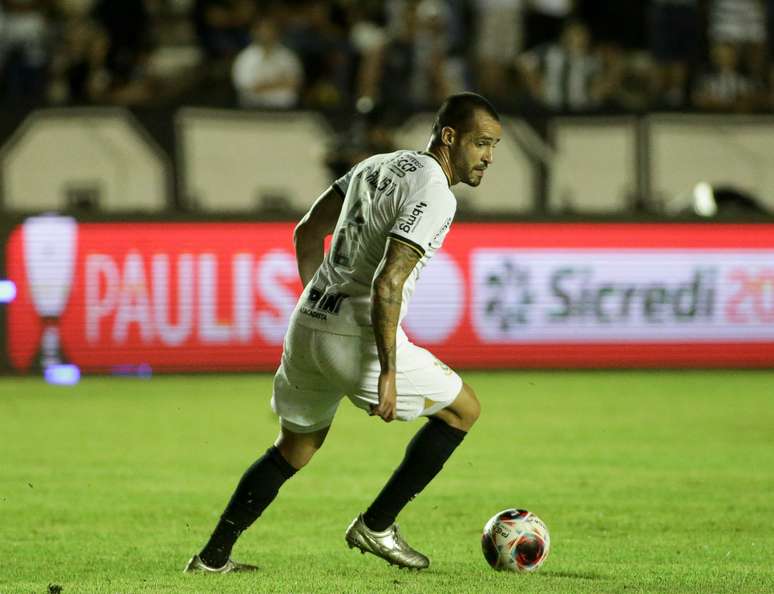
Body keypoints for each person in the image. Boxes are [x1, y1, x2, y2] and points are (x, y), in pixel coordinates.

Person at [184, 92, 502, 573]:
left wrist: (318, 297)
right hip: (355, 337)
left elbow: (307, 231)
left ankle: (211, 559)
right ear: (450, 136)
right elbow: (388, 280)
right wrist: (389, 371)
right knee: (463, 411)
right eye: (481, 143)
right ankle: (377, 525)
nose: (488, 158)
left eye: (494, 146)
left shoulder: (378, 164)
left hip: (308, 323)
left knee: (294, 448)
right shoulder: (436, 190)